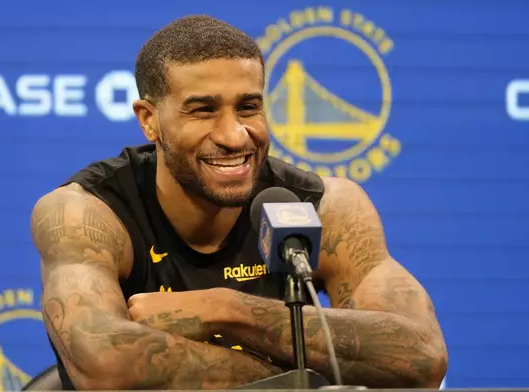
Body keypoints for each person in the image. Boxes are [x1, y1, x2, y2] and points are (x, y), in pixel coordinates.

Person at [30, 15, 448, 390]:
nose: (234, 135)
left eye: (248, 107)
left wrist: (227, 309)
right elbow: (104, 365)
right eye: (203, 110)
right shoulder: (87, 213)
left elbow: (422, 358)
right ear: (149, 120)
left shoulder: (325, 206)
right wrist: (299, 383)